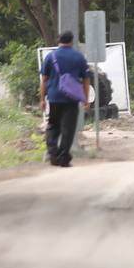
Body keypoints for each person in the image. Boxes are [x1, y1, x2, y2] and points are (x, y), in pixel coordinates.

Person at [40, 31, 90, 167]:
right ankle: (63, 158)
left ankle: (53, 154)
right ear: (72, 41)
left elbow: (44, 80)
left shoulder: (51, 56)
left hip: (54, 98)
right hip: (71, 99)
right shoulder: (79, 57)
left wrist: (42, 99)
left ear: (58, 40)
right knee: (68, 129)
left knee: (53, 126)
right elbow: (86, 80)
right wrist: (86, 99)